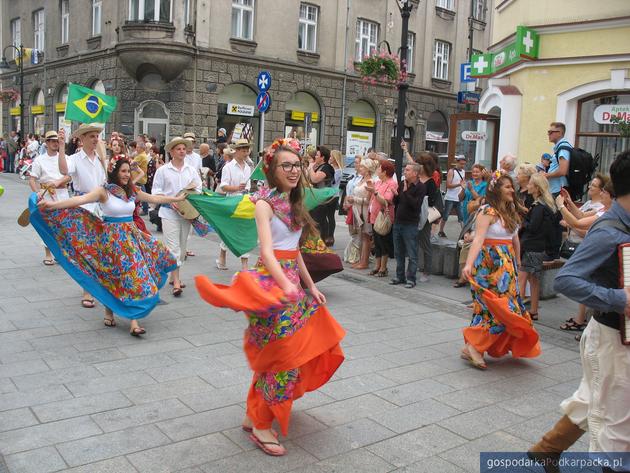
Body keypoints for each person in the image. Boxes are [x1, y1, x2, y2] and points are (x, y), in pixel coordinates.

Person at [195, 138, 345, 456]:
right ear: (272, 170)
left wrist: (309, 286)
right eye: (286, 165)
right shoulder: (264, 204)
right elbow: (267, 251)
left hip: (291, 282)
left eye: (297, 165)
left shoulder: (296, 204)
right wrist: (285, 285)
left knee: (290, 352)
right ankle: (262, 425)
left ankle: (255, 415)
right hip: (270, 283)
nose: (293, 170)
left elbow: (296, 252)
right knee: (282, 356)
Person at [529, 150, 630, 473]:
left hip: (615, 338)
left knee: (592, 401)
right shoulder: (610, 231)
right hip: (611, 338)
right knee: (615, 424)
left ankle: (546, 450)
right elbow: (566, 280)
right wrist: (620, 298)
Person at [33, 156, 184, 336]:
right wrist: (53, 205)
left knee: (133, 276)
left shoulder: (132, 191)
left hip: (131, 241)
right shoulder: (103, 192)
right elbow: (77, 202)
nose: (127, 175)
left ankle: (134, 321)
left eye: (128, 171)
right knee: (112, 276)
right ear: (114, 172)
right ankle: (110, 312)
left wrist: (177, 198)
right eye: (123, 171)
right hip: (111, 241)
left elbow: (154, 197)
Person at [461, 171, 540, 369]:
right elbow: (478, 239)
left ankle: (473, 345)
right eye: (507, 187)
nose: (512, 190)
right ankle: (475, 347)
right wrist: (469, 264)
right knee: (492, 308)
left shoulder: (510, 211)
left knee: (507, 308)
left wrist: (518, 260)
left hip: (507, 267)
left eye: (512, 186)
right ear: (496, 189)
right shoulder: (487, 212)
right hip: (488, 265)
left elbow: (514, 239)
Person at [58, 124, 108, 309]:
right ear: (83, 139)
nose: (96, 139)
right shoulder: (75, 158)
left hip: (102, 206)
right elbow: (64, 170)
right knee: (87, 249)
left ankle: (100, 283)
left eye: (97, 136)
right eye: (92, 136)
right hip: (83, 205)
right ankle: (87, 290)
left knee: (101, 249)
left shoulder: (101, 159)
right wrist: (62, 147)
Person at [151, 137, 203, 296]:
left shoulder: (191, 170)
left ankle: (174, 277)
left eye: (183, 148)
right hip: (168, 213)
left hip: (186, 214)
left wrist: (190, 198)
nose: (182, 151)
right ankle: (177, 282)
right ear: (171, 151)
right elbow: (156, 192)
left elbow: (199, 189)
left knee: (182, 249)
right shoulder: (163, 170)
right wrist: (171, 201)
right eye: (178, 149)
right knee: (173, 248)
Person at [558, 174, 608, 334]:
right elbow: (580, 216)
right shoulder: (602, 209)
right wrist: (569, 202)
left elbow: (577, 222)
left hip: (600, 254)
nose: (602, 195)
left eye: (605, 192)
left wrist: (561, 206)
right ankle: (589, 326)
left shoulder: (604, 212)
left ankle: (592, 327)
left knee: (595, 288)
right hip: (594, 251)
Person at [28, 131, 72, 266]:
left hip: (63, 193)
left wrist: (58, 182)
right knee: (47, 224)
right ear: (46, 143)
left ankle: (62, 254)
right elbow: (32, 179)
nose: (55, 143)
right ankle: (48, 254)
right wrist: (37, 193)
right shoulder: (39, 160)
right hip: (46, 195)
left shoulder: (65, 157)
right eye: (52, 141)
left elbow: (69, 176)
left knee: (64, 225)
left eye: (57, 140)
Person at [518, 173, 557, 321]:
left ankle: (518, 311)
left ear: (536, 188)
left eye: (530, 184)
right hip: (538, 246)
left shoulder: (539, 207)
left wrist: (523, 223)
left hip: (531, 246)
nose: (528, 186)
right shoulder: (542, 205)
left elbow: (533, 227)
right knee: (534, 280)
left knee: (522, 278)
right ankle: (533, 310)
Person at [217, 139, 251, 270]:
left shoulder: (248, 167)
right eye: (243, 150)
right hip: (231, 202)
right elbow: (223, 186)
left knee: (243, 232)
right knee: (229, 231)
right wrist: (237, 188)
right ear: (236, 151)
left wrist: (245, 189)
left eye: (247, 150)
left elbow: (247, 186)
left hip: (245, 202)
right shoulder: (228, 167)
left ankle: (245, 264)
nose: (246, 152)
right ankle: (222, 256)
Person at [390, 163, 426, 289]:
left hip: (410, 224)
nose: (405, 171)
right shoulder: (402, 183)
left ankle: (411, 278)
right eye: (405, 169)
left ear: (415, 173)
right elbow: (398, 202)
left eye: (408, 170)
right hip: (398, 222)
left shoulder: (420, 187)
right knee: (398, 252)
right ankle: (400, 276)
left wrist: (405, 193)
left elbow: (415, 205)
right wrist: (396, 195)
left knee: (412, 253)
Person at [367, 160, 397, 277]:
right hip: (375, 215)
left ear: (384, 171)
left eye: (379, 168)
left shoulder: (392, 183)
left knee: (384, 241)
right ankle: (377, 265)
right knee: (377, 242)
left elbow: (387, 200)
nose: (377, 170)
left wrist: (374, 192)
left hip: (384, 216)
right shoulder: (378, 182)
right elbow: (372, 199)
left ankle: (383, 268)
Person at [345, 158, 378, 269]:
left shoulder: (370, 182)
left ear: (368, 169)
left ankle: (364, 262)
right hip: (357, 210)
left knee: (366, 236)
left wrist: (354, 199)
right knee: (361, 235)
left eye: (363, 167)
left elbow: (368, 200)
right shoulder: (361, 180)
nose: (360, 168)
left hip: (364, 211)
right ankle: (361, 260)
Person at [307, 146, 336, 246]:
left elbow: (315, 179)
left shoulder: (327, 167)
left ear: (323, 157)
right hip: (316, 198)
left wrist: (311, 167)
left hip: (322, 200)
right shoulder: (319, 166)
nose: (315, 157)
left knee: (319, 221)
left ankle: (321, 243)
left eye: (317, 155)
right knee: (314, 221)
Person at [417, 157, 438, 283]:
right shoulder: (416, 179)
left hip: (425, 216)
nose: (417, 166)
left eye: (420, 164)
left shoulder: (430, 182)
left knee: (425, 243)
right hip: (413, 215)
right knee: (413, 242)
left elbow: (431, 201)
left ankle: (427, 270)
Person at [439, 156, 467, 238]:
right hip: (450, 197)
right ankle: (441, 231)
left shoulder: (464, 172)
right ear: (457, 162)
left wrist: (463, 189)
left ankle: (463, 233)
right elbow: (448, 185)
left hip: (459, 197)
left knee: (461, 216)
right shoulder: (451, 171)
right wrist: (459, 184)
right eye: (461, 164)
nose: (462, 166)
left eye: (464, 164)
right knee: (445, 215)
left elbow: (463, 183)